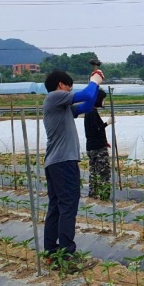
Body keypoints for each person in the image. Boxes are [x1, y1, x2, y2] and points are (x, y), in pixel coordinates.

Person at [43, 69, 103, 264]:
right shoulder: (54, 97)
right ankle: (67, 254)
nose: (70, 91)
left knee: (57, 207)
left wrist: (97, 84)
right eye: (69, 87)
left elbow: (87, 105)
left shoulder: (63, 108)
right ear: (61, 85)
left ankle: (52, 253)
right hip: (64, 162)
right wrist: (94, 79)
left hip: (54, 162)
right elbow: (85, 95)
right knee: (68, 206)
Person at [84, 88, 114, 200]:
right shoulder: (92, 112)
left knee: (93, 172)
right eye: (102, 99)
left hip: (92, 146)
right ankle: (104, 196)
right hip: (97, 148)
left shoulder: (90, 111)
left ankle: (93, 195)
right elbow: (96, 129)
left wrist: (105, 142)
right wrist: (107, 123)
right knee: (103, 172)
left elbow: (94, 131)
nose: (103, 102)